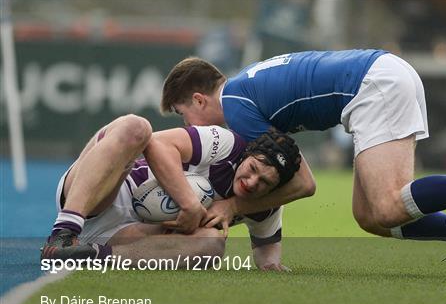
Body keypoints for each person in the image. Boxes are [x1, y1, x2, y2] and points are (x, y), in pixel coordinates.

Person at [159, 50, 446, 277]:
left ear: (198, 99)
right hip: (378, 78)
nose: (187, 126)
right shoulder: (244, 89)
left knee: (388, 204)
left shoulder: (236, 107)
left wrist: (233, 205)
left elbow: (303, 183)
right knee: (370, 216)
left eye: (182, 115)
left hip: (374, 85)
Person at [41, 114, 301, 271]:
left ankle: (93, 256)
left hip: (126, 235)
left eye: (265, 183)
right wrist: (189, 204)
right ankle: (63, 234)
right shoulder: (225, 144)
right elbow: (157, 142)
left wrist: (271, 267)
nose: (253, 182)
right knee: (136, 127)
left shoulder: (266, 206)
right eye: (253, 168)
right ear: (246, 155)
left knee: (211, 245)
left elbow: (267, 254)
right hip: (101, 195)